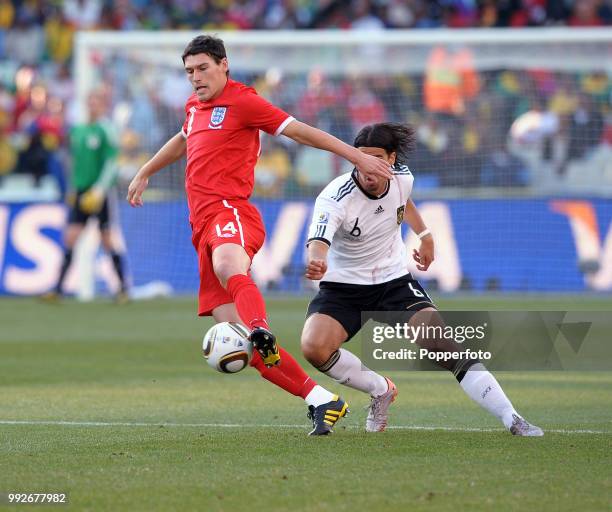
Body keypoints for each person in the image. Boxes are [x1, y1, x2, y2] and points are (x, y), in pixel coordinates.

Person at [127, 35, 392, 435]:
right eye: (188, 72)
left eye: (202, 69)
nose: (195, 78)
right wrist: (146, 170)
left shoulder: (244, 101)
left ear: (223, 65)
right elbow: (183, 138)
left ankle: (260, 325)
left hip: (230, 210)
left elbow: (298, 131)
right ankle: (322, 400)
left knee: (230, 268)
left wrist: (354, 156)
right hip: (201, 227)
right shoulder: (194, 108)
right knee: (243, 344)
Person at [301, 122, 543, 436]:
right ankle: (380, 390)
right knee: (314, 347)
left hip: (393, 282)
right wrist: (316, 259)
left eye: (376, 158)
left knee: (445, 345)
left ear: (391, 158)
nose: (367, 168)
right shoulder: (335, 196)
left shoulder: (403, 178)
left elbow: (404, 201)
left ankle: (512, 418)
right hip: (343, 286)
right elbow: (318, 240)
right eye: (360, 159)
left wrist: (425, 235)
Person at [44, 91, 128, 302]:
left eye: (96, 102)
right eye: (90, 102)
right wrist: (73, 189)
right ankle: (58, 289)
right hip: (81, 191)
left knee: (107, 240)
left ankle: (123, 289)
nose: (92, 106)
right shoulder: (78, 131)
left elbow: (111, 162)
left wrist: (99, 189)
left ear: (102, 105)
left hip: (99, 192)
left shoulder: (105, 129)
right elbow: (75, 163)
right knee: (70, 237)